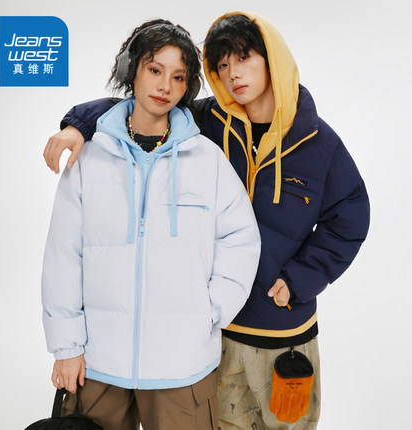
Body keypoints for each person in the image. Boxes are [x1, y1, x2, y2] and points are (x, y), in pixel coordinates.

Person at [43, 11, 370, 430]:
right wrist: (78, 125)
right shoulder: (209, 124)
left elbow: (349, 217)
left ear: (273, 59)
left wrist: (300, 280)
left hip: (278, 329)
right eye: (222, 64)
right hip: (212, 341)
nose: (233, 74)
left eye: (244, 58)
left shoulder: (317, 142)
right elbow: (135, 106)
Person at [42, 18, 261, 430]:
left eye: (178, 77)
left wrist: (210, 310)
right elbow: (63, 255)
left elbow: (241, 239)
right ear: (132, 71)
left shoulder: (207, 160)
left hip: (184, 367)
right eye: (155, 70)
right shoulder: (90, 158)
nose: (165, 86)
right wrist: (66, 347)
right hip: (98, 364)